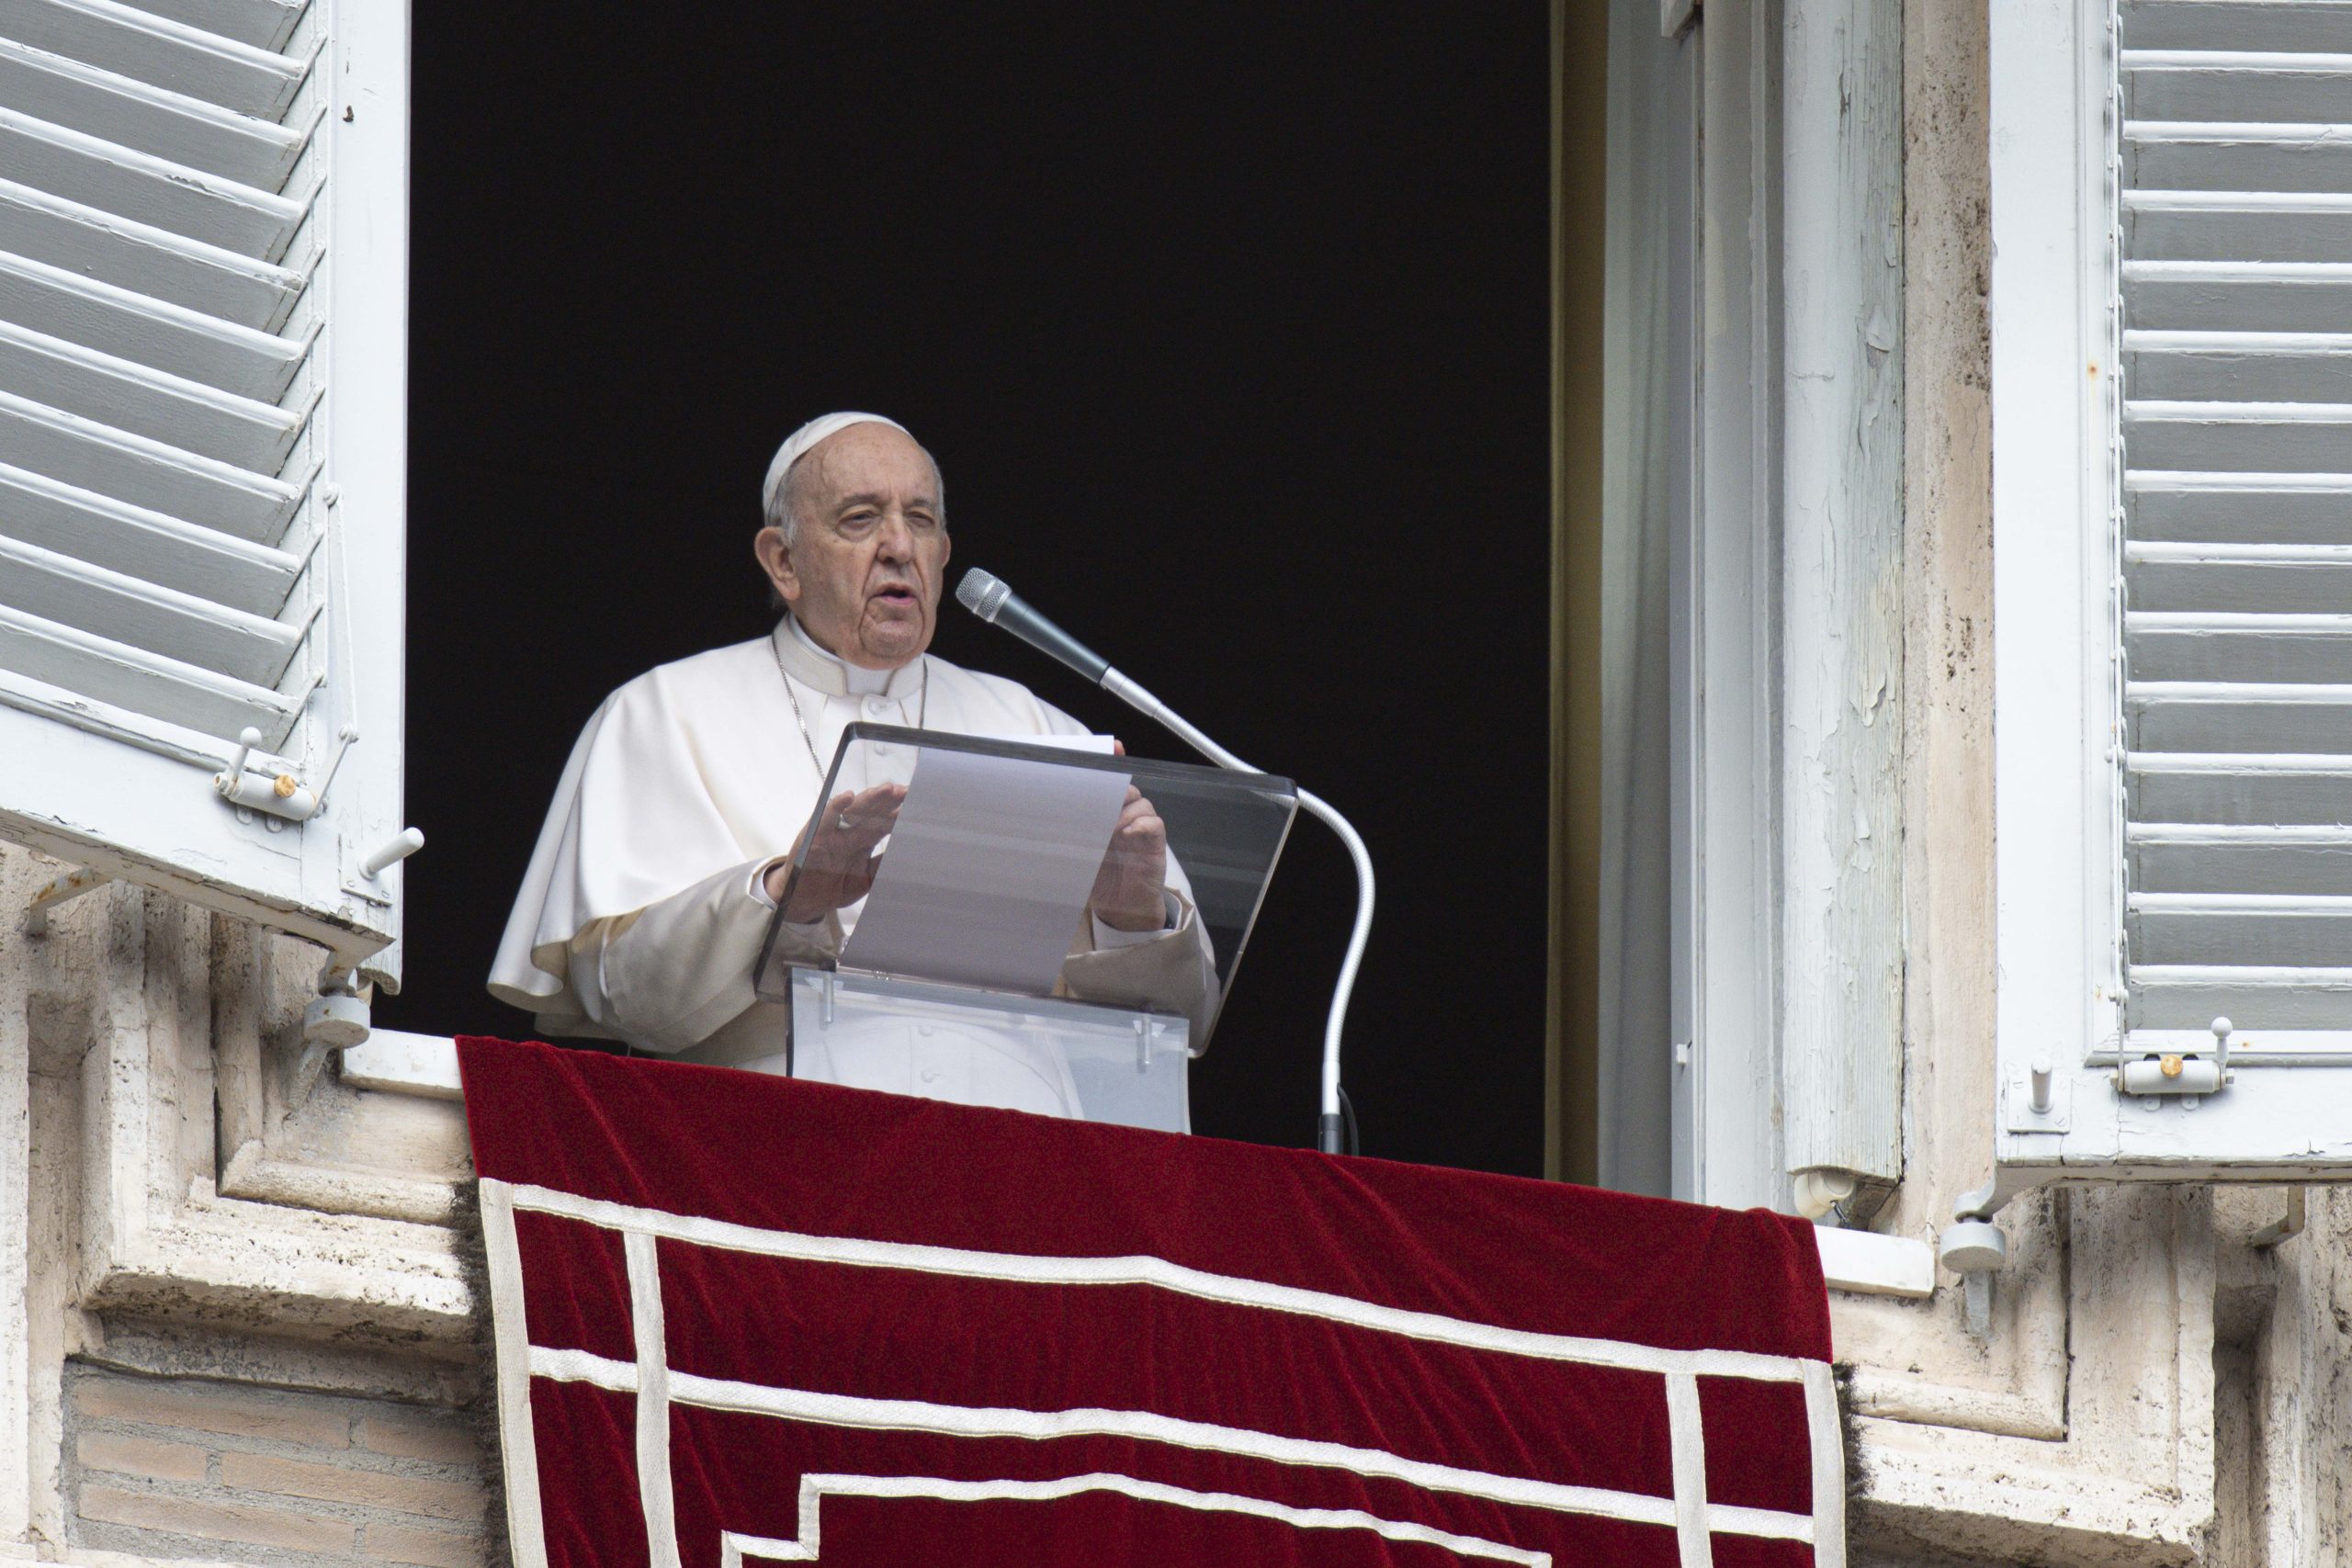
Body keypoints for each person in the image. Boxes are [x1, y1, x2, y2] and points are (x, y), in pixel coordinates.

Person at [487, 412, 1215, 1115]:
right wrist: (782, 895)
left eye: (921, 520)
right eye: (862, 518)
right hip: (775, 1146)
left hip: (1022, 1165)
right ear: (783, 560)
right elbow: (619, 988)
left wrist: (1130, 919)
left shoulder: (1034, 726)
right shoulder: (662, 711)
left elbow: (1181, 1027)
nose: (899, 545)